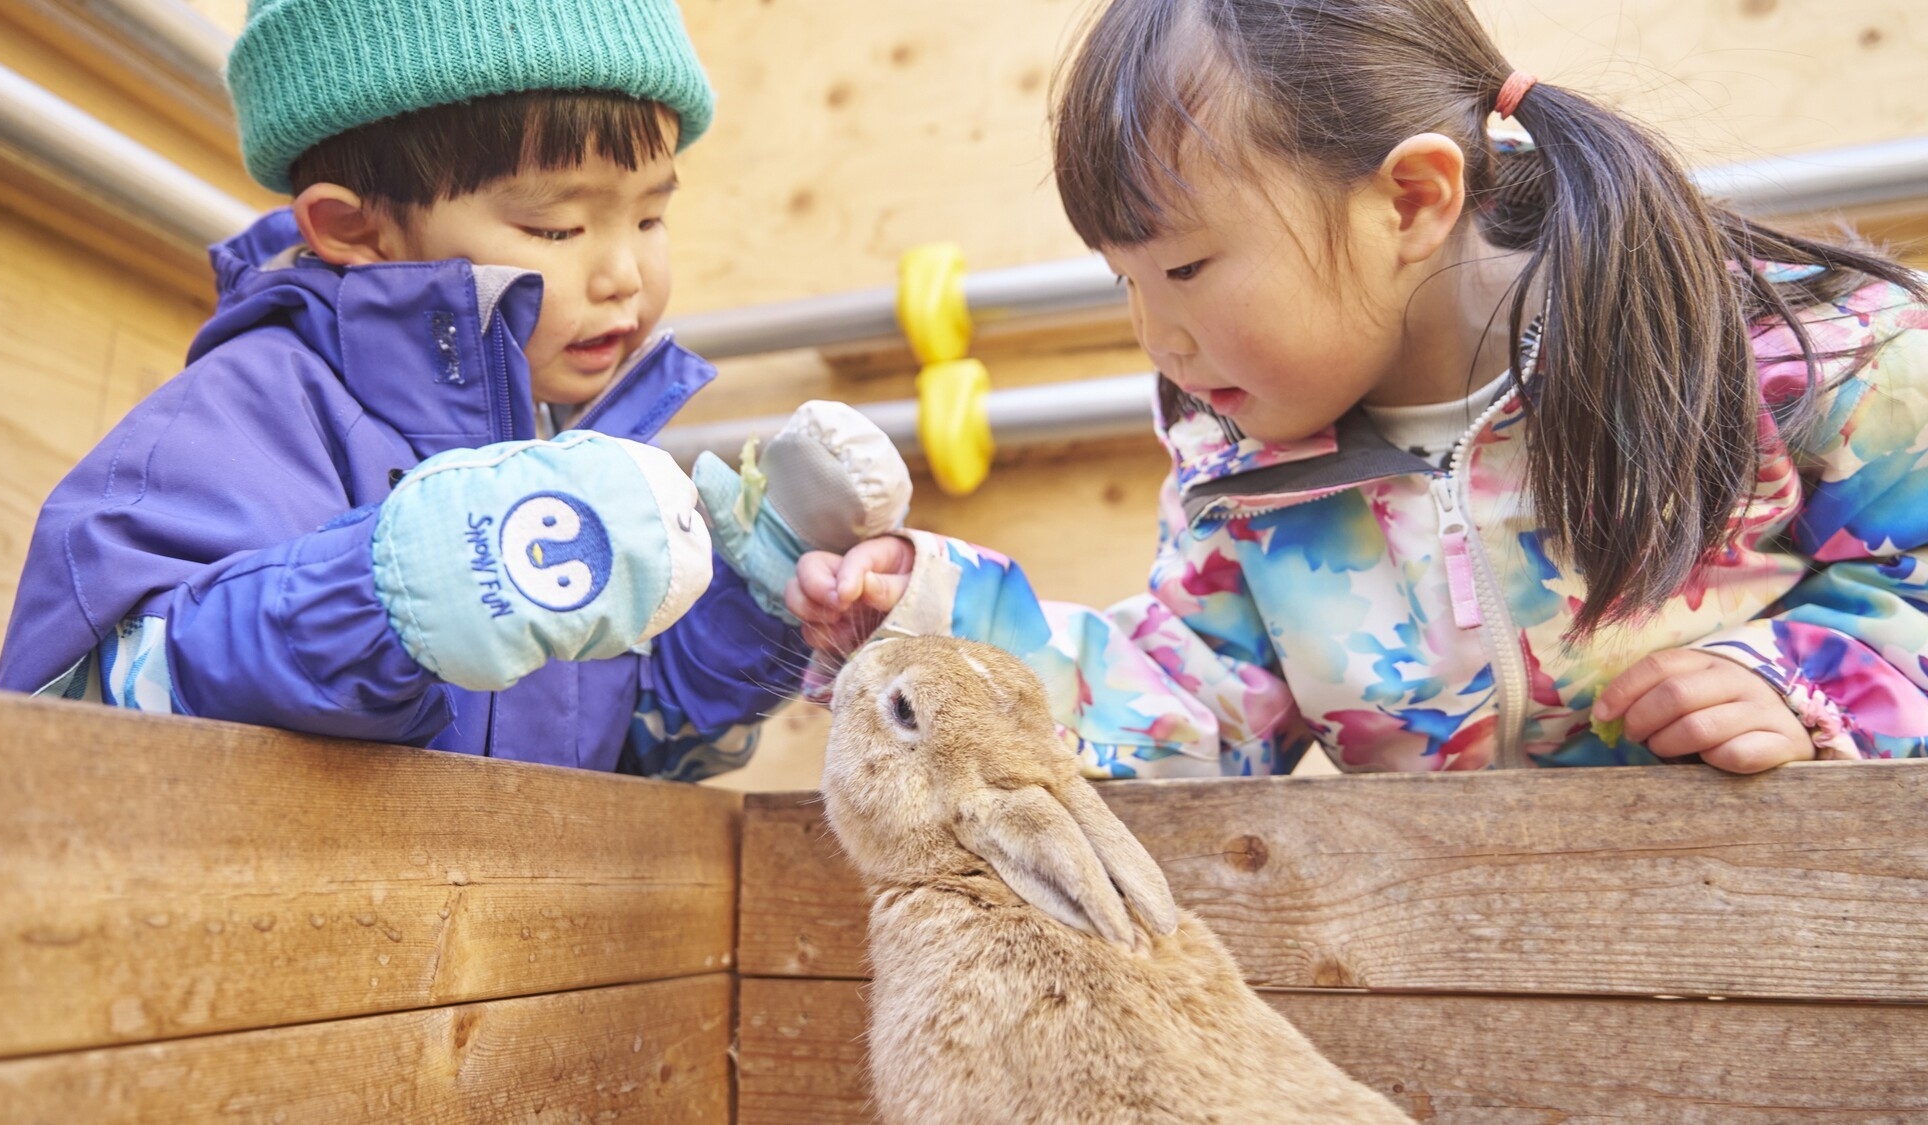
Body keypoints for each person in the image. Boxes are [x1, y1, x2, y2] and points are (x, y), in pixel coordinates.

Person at [792, 0, 1928, 777]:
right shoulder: (1242, 472)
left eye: (1183, 267)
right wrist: (939, 633)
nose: (1155, 335)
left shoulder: (1781, 354)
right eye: (1123, 282)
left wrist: (1797, 681)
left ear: (1411, 201)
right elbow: (1193, 713)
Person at [0, 0, 898, 781]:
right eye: (557, 225)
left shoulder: (569, 442)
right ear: (357, 227)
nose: (625, 272)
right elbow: (79, 720)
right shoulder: (237, 419)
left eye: (653, 214)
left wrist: (760, 601)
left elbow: (634, 753)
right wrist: (393, 596)